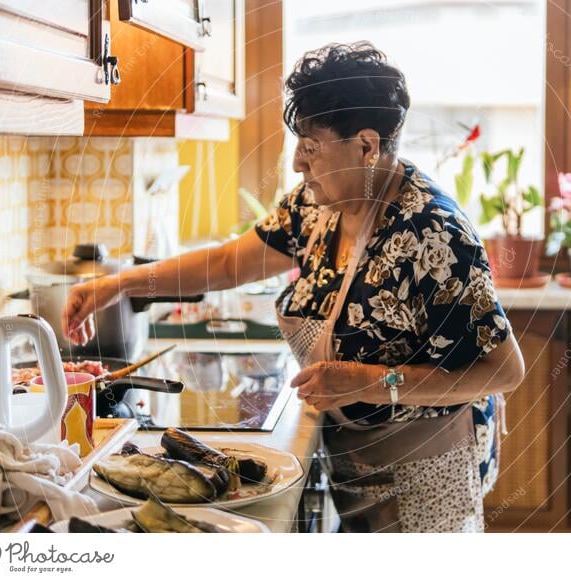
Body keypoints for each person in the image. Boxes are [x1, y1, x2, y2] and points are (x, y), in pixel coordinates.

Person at [62, 41, 525, 532]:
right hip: (353, 458)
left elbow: (503, 369)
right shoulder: (316, 205)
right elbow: (225, 263)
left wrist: (370, 381)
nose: (299, 165)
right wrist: (120, 284)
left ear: (366, 145)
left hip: (428, 466)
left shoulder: (434, 234)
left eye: (311, 147)